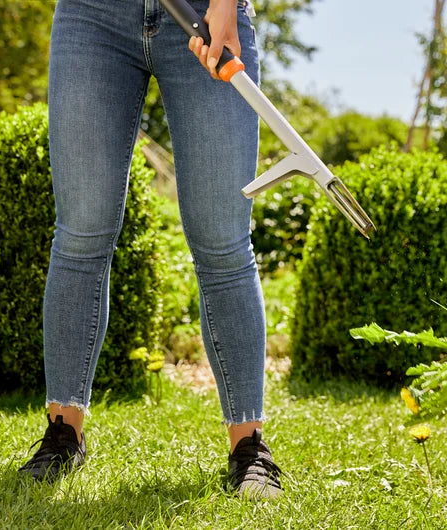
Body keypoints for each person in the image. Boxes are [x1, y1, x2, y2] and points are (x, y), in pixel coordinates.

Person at [18, 0, 282, 499]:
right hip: (91, 15)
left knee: (222, 241)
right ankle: (63, 434)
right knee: (81, 235)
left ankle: (249, 447)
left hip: (206, 12)